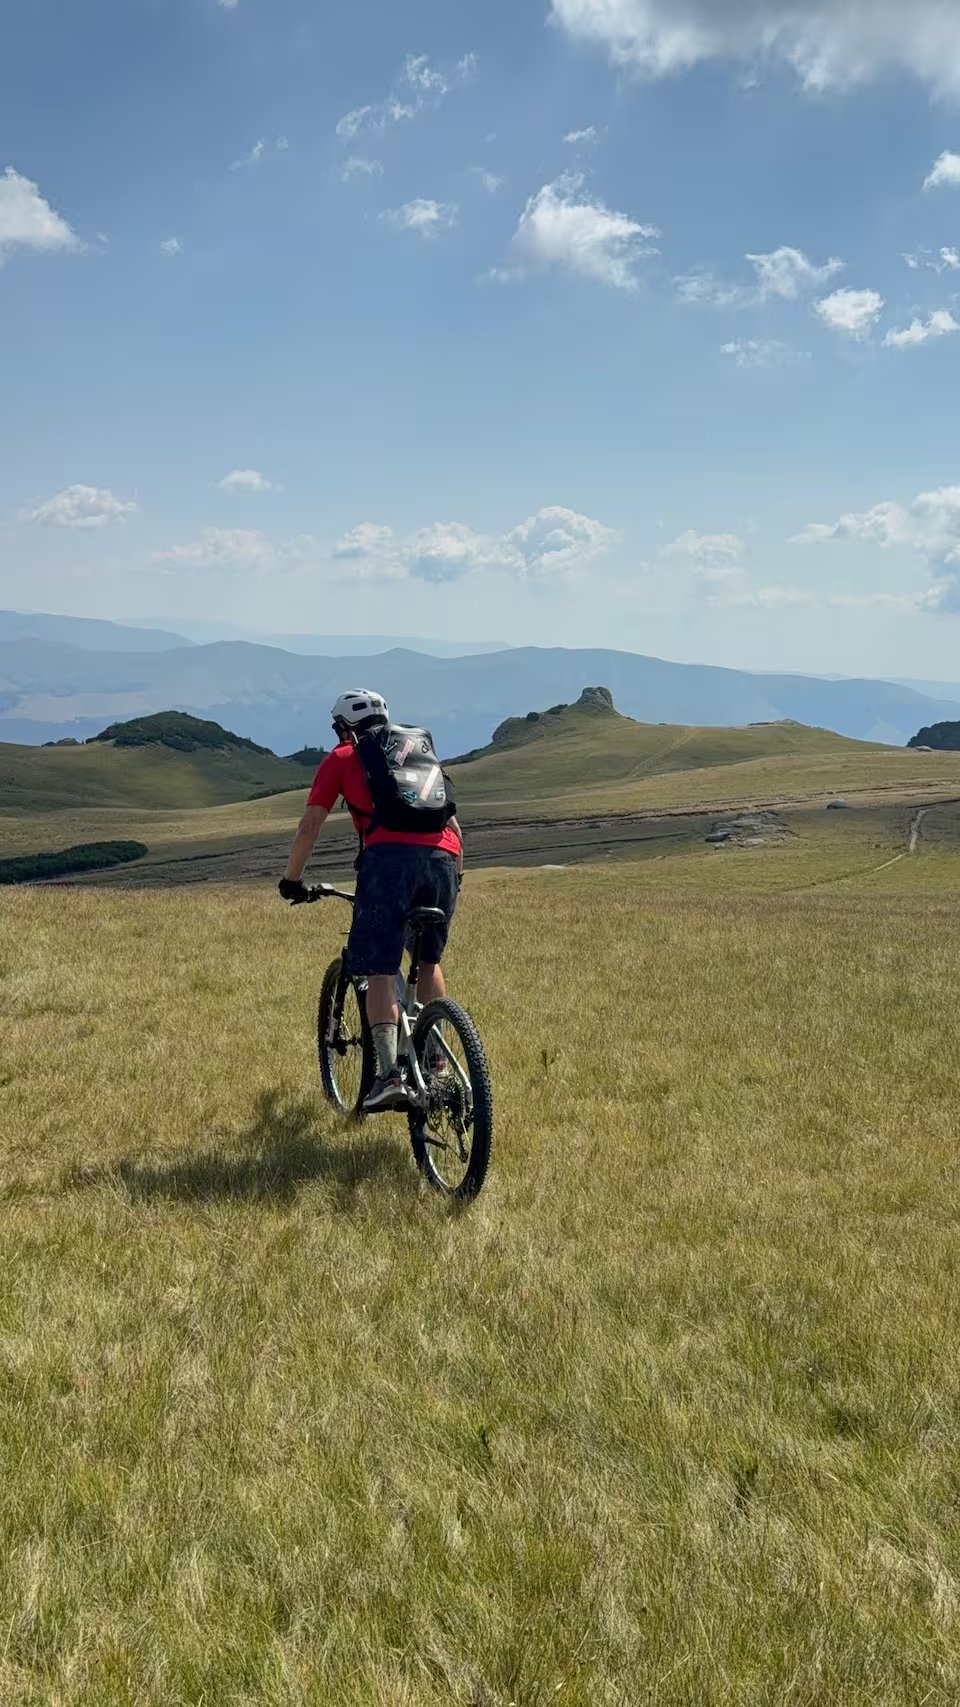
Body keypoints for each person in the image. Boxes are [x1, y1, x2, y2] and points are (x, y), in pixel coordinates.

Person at [279, 690, 463, 1112]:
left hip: (389, 863)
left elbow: (310, 826)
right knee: (428, 962)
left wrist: (292, 880)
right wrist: (456, 876)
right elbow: (452, 821)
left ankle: (388, 1074)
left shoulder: (344, 757)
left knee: (379, 967)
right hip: (443, 860)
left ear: (343, 727)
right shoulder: (417, 752)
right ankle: (435, 1057)